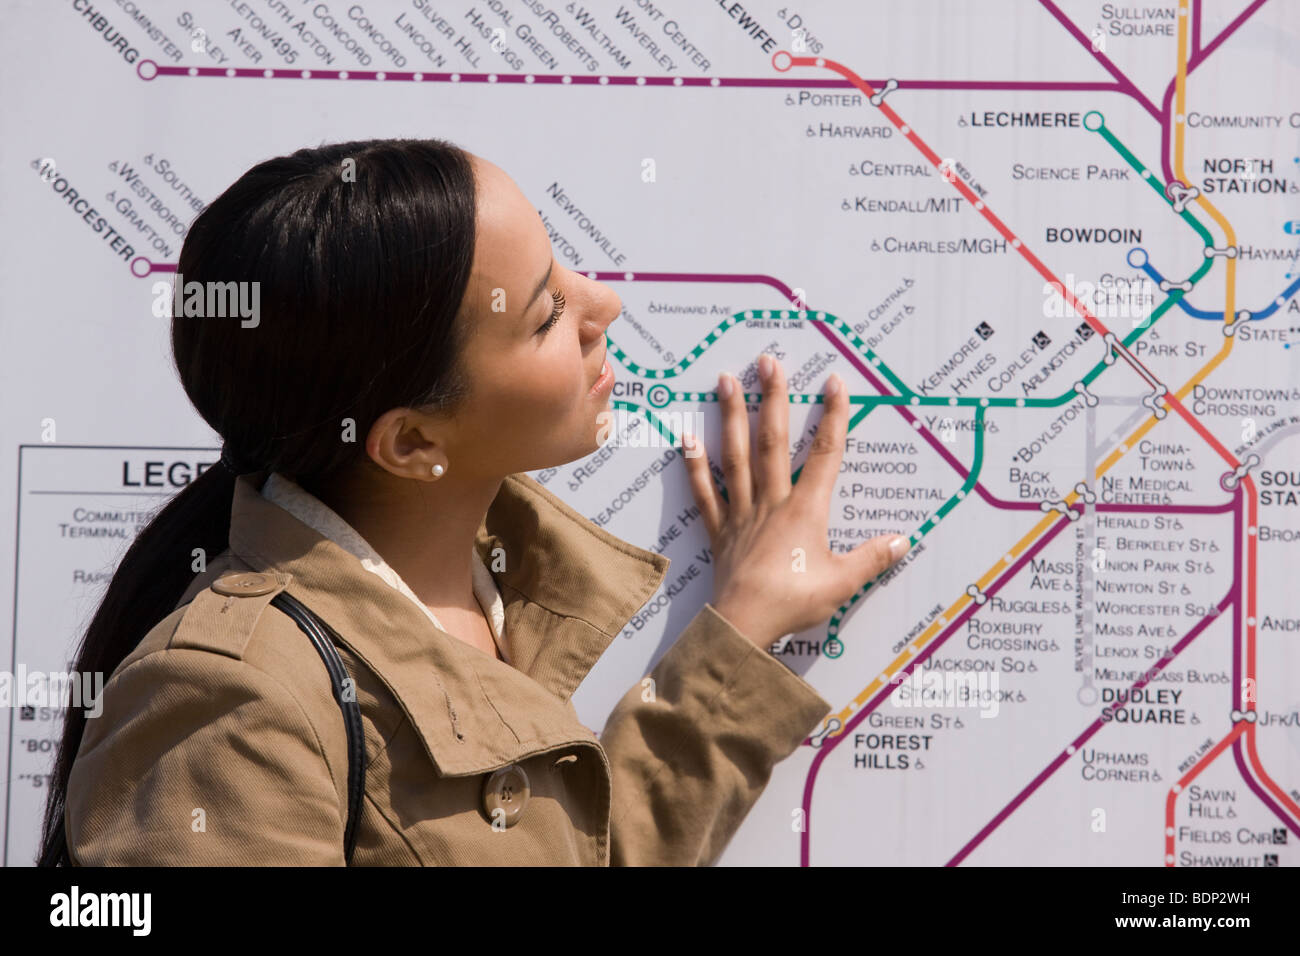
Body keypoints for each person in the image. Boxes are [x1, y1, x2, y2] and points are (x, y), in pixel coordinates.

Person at [38, 138, 911, 866]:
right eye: (543, 315)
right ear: (413, 442)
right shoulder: (231, 705)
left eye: (562, 268)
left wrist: (741, 630)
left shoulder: (488, 590)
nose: (603, 304)